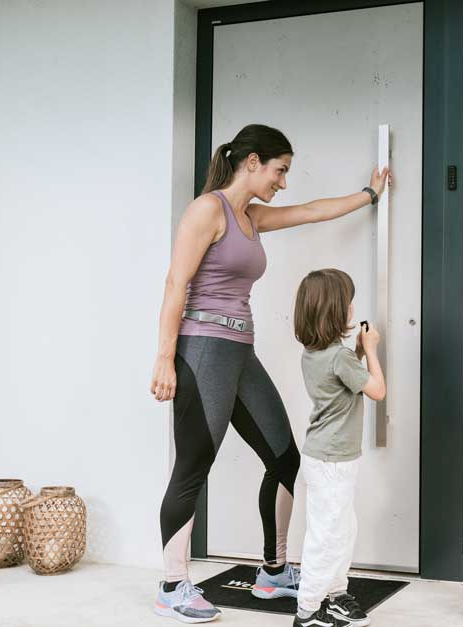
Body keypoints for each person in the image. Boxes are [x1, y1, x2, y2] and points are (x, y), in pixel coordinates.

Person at [150, 124, 389, 624]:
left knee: (284, 458)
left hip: (241, 352)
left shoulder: (251, 217)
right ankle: (173, 585)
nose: (283, 182)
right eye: (280, 170)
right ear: (252, 161)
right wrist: (164, 359)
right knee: (193, 466)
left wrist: (369, 195)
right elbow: (176, 284)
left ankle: (273, 572)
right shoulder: (207, 210)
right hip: (202, 350)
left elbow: (311, 211)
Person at [291, 268, 386, 627]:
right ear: (334, 311)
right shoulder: (339, 358)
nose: (351, 308)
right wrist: (371, 351)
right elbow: (377, 390)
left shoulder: (316, 354)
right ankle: (308, 610)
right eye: (348, 302)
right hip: (333, 462)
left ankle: (334, 595)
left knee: (340, 529)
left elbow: (341, 382)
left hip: (325, 457)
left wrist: (357, 352)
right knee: (328, 534)